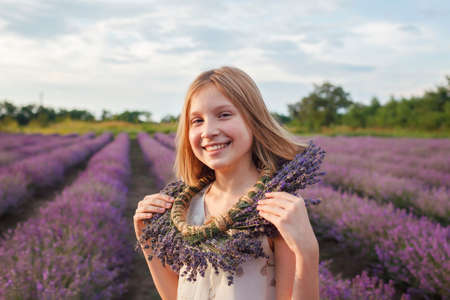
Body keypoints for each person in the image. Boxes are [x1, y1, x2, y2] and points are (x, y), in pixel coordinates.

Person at [134, 66, 319, 300]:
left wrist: (308, 251)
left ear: (253, 121)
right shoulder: (185, 209)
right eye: (197, 120)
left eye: (224, 115)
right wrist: (147, 237)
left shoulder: (275, 208)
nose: (208, 131)